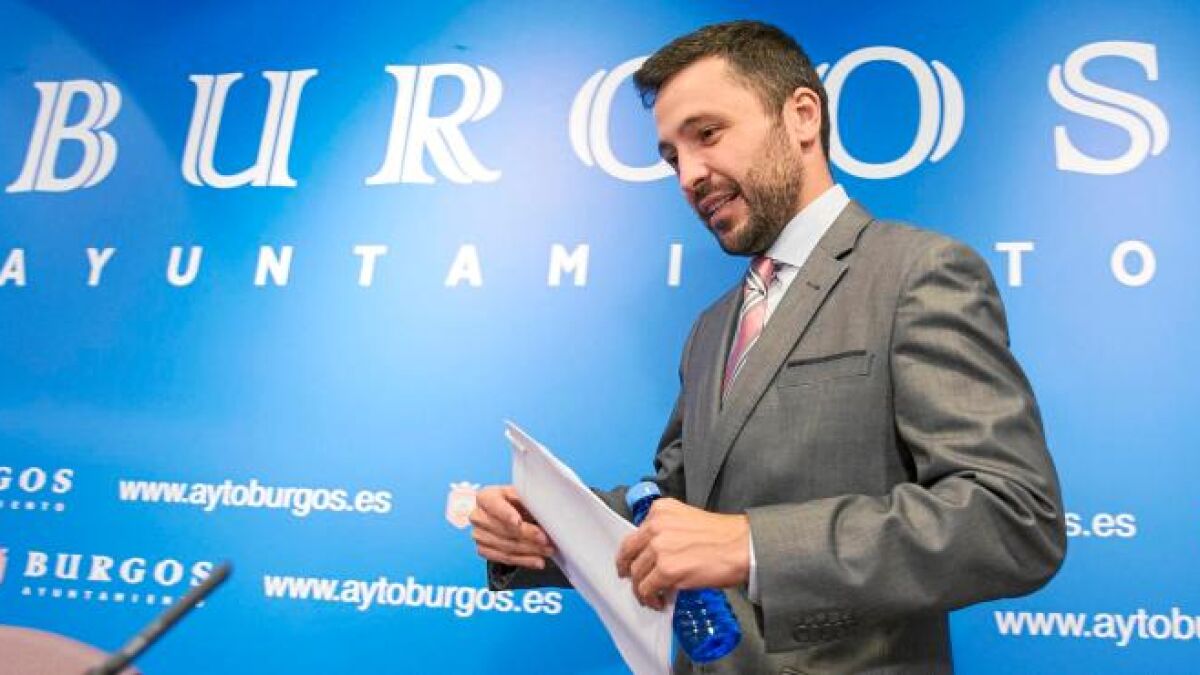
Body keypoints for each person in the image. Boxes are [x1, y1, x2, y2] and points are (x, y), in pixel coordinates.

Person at [470, 20, 1066, 674]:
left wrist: (753, 545)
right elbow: (676, 509)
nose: (689, 175)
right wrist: (544, 529)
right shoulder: (711, 326)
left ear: (802, 116)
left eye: (707, 134)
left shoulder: (917, 273)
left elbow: (1013, 518)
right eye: (671, 157)